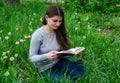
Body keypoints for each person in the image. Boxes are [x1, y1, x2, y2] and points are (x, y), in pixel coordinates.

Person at [29, 5, 85, 83]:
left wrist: (73, 52)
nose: (58, 24)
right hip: (46, 68)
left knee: (81, 75)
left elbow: (61, 53)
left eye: (60, 21)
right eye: (55, 21)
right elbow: (32, 57)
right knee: (66, 81)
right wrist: (46, 56)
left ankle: (75, 65)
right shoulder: (38, 35)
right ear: (47, 18)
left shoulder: (58, 31)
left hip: (59, 61)